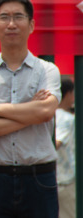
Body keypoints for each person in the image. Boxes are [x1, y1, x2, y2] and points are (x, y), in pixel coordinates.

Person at [0, 0, 61, 218]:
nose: (11, 24)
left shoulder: (47, 71)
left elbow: (45, 111)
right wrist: (30, 114)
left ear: (31, 25)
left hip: (39, 179)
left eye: (18, 17)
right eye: (4, 17)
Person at [55, 76, 75, 218]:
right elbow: (57, 143)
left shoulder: (44, 116)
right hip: (65, 179)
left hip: (46, 178)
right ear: (67, 94)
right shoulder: (67, 119)